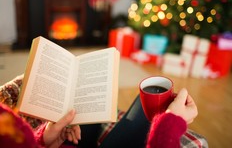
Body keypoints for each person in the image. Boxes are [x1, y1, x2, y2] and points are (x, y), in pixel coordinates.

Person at [0, 87, 197, 148]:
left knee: (86, 95)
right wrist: (170, 124)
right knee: (156, 98)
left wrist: (44, 140)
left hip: (68, 143)